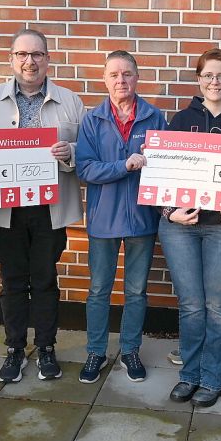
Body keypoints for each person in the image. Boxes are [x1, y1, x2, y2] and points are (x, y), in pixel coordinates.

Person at [0, 28, 85, 383]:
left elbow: (91, 154)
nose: (29, 61)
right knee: (13, 282)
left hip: (50, 209)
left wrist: (71, 153)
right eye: (22, 54)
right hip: (6, 211)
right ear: (11, 59)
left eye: (37, 54)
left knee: (46, 280)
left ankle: (47, 348)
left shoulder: (70, 102)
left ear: (48, 59)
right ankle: (14, 349)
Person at [163, 49, 221, 407]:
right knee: (190, 305)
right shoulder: (180, 121)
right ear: (198, 80)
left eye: (220, 76)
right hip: (181, 228)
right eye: (207, 76)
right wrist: (169, 211)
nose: (214, 82)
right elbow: (159, 176)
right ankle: (189, 375)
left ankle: (212, 378)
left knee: (217, 306)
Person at [75, 51, 167, 384]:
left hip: (143, 219)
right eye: (114, 74)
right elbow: (84, 169)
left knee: (137, 291)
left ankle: (130, 350)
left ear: (137, 78)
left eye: (127, 74)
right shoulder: (92, 120)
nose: (121, 81)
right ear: (105, 79)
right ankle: (96, 351)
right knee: (99, 289)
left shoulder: (155, 118)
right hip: (103, 219)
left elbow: (166, 167)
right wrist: (122, 166)